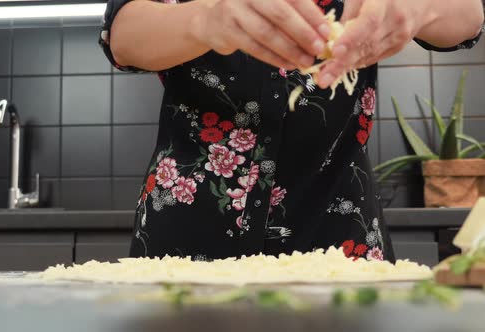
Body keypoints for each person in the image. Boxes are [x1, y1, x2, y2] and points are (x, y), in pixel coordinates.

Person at [99, 0, 484, 262]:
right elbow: (124, 35)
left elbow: (467, 14)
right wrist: (208, 18)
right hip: (185, 235)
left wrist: (417, 7)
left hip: (340, 230)